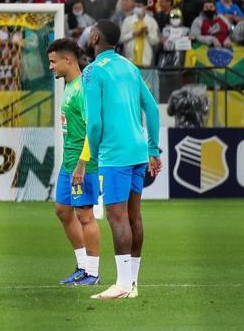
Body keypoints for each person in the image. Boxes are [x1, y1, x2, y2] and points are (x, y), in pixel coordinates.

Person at [82, 20, 162, 300]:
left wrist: (91, 154)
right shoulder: (130, 67)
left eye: (91, 31)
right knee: (134, 217)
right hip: (138, 150)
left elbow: (94, 123)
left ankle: (123, 284)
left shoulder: (92, 71)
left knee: (117, 218)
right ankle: (132, 282)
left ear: (95, 38)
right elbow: (152, 108)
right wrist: (153, 149)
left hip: (114, 153)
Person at [47, 38, 101, 286]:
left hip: (83, 164)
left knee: (85, 215)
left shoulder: (82, 90)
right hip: (68, 163)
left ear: (68, 60)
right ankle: (82, 267)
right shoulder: (69, 86)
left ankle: (93, 273)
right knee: (62, 210)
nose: (51, 67)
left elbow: (93, 129)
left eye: (53, 62)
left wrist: (82, 164)